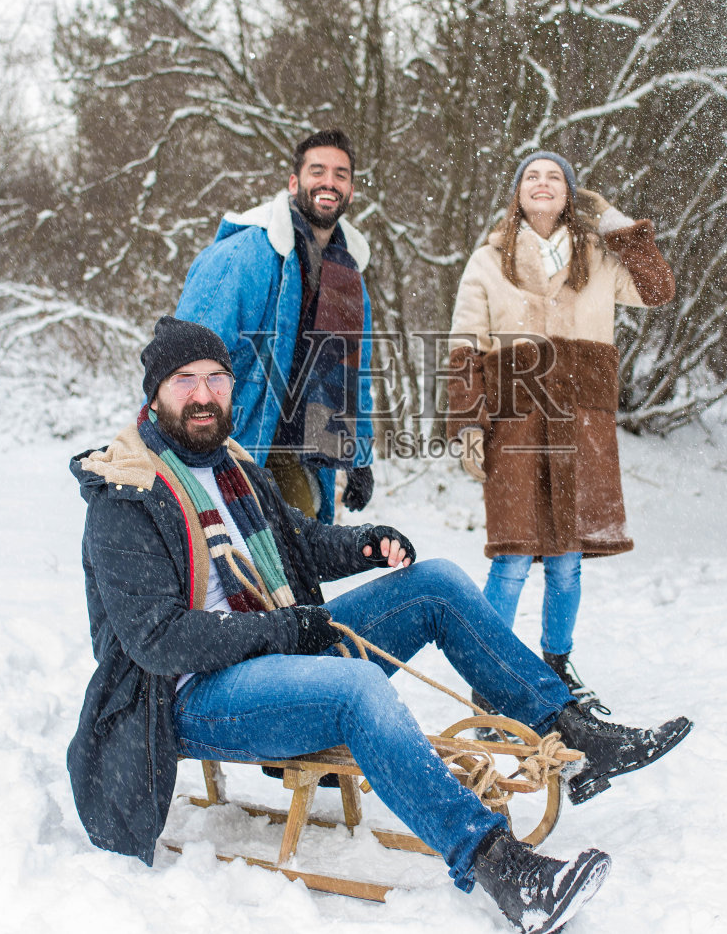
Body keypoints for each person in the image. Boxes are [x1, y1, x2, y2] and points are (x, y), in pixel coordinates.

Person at [67, 315, 692, 934]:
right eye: (184, 380)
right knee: (356, 690)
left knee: (437, 584)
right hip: (193, 696)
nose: (203, 396)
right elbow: (158, 640)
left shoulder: (232, 465)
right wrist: (285, 632)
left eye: (216, 377)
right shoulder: (127, 493)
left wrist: (364, 545)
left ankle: (574, 736)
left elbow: (299, 543)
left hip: (279, 648)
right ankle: (502, 867)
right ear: (154, 392)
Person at [446, 151, 676, 713]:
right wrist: (469, 426)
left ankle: (557, 668)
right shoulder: (486, 261)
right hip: (515, 422)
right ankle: (491, 676)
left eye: (555, 177)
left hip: (581, 424)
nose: (543, 184)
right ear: (518, 193)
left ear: (571, 194)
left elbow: (657, 289)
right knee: (513, 558)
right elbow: (464, 347)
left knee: (568, 561)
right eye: (532, 176)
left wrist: (617, 222)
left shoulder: (598, 256)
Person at [175, 129, 374, 523]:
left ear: (350, 192)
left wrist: (359, 456)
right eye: (318, 170)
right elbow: (183, 356)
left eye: (341, 174)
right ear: (294, 183)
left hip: (295, 447)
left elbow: (353, 374)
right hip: (235, 441)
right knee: (238, 567)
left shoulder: (347, 276)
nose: (329, 182)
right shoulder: (244, 256)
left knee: (302, 550)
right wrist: (181, 449)